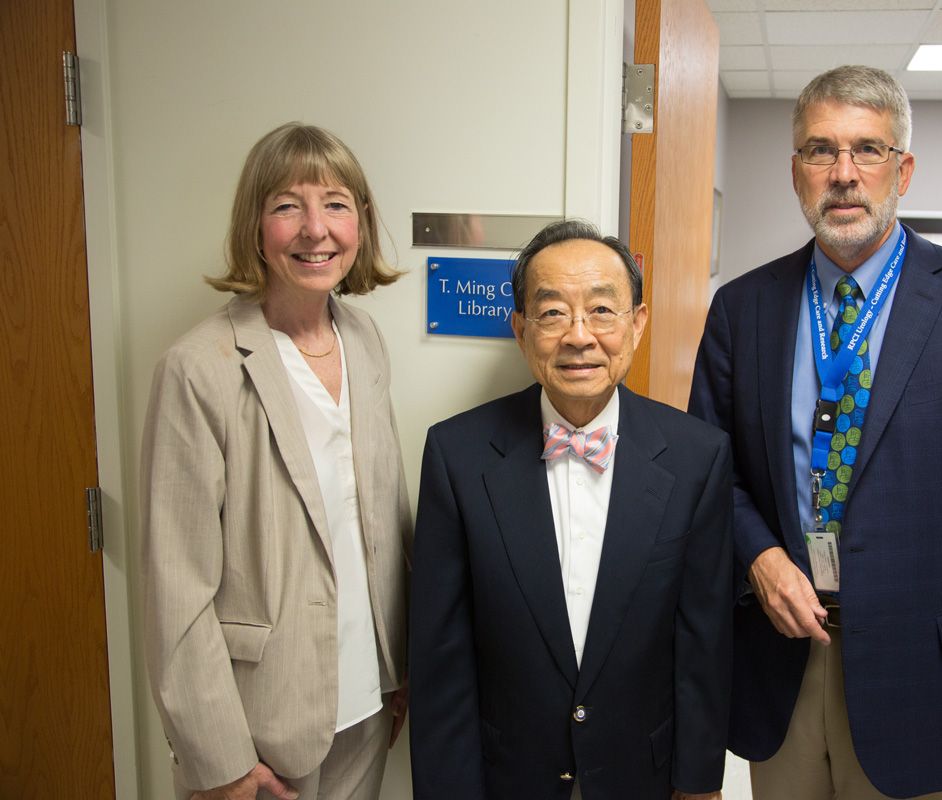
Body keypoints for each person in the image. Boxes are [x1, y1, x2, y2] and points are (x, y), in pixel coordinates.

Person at [689, 65, 942, 800]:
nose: (844, 174)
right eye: (821, 151)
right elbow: (709, 472)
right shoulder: (742, 308)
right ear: (797, 172)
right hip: (782, 653)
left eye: (869, 150)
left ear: (903, 169)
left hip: (923, 671)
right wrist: (758, 555)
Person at [408, 219, 732, 800]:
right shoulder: (456, 456)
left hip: (645, 776)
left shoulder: (697, 457)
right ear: (521, 329)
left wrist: (701, 783)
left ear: (637, 324)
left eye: (603, 311)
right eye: (553, 312)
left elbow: (703, 642)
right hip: (507, 777)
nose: (579, 336)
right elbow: (440, 658)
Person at [141, 123, 411, 800]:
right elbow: (176, 585)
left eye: (337, 204)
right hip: (261, 727)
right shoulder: (198, 368)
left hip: (366, 704)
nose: (315, 229)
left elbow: (384, 514)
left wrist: (400, 666)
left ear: (363, 223)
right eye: (288, 205)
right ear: (255, 226)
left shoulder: (365, 339)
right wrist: (221, 761)